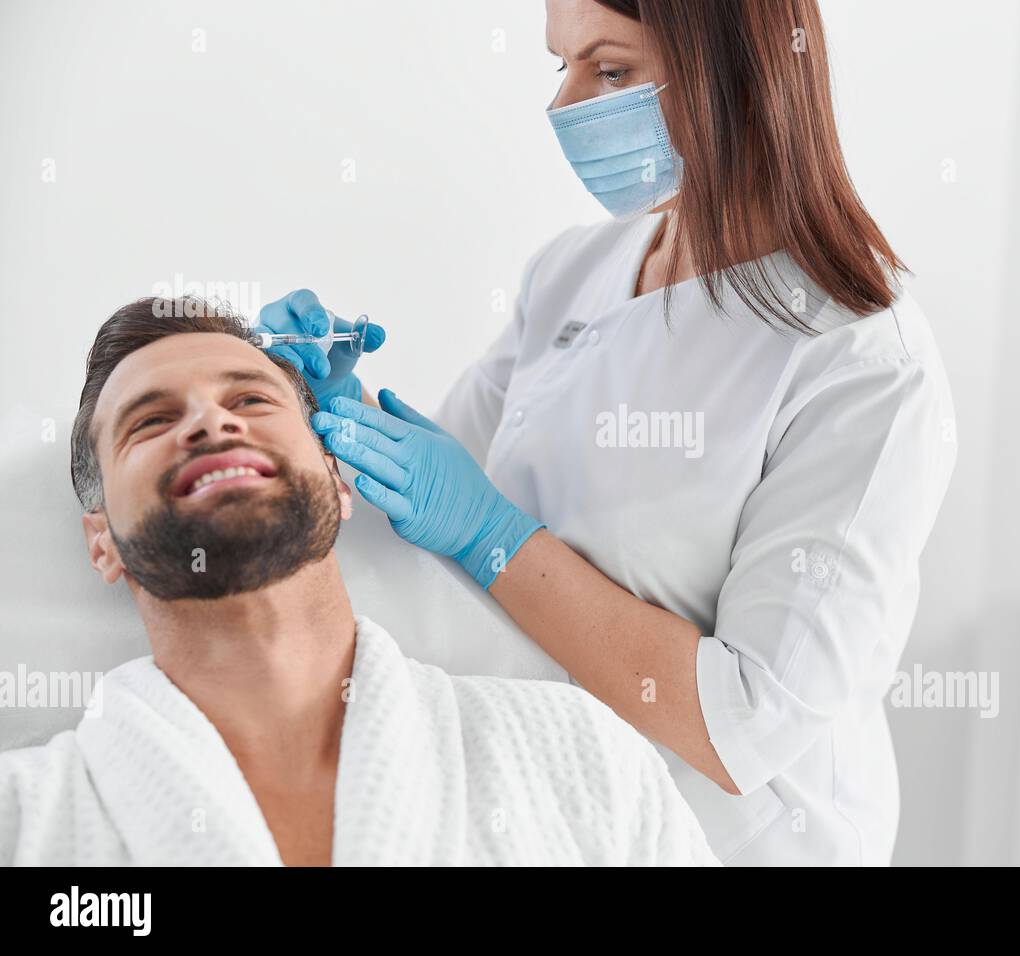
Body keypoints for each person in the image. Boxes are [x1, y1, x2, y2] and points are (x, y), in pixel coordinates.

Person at [259, 0, 957, 865]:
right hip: (560, 804)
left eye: (612, 70)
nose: (564, 106)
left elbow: (746, 721)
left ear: (736, 70)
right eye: (563, 67)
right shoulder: (573, 272)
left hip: (735, 840)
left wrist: (494, 537)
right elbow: (440, 496)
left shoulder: (859, 360)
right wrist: (328, 410)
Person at [0, 297, 720, 867]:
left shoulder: (579, 760)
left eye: (251, 401)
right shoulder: (25, 820)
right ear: (103, 544)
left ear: (340, 479)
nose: (210, 423)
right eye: (152, 420)